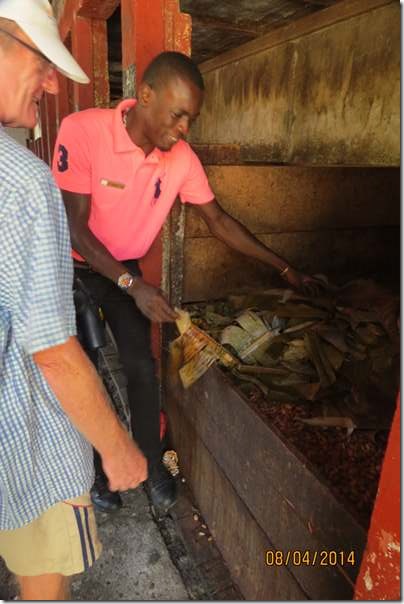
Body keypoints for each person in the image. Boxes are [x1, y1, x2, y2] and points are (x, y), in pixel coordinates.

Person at [52, 51, 320, 515]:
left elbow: (218, 221)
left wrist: (286, 269)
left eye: (191, 119)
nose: (183, 129)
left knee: (140, 365)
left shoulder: (182, 160)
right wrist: (132, 285)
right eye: (178, 115)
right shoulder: (83, 130)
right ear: (146, 95)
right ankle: (99, 469)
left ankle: (151, 463)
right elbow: (75, 228)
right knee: (85, 372)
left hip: (123, 268)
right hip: (73, 264)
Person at [0, 1, 147, 600]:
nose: (52, 80)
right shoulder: (25, 181)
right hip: (27, 440)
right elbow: (53, 353)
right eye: (41, 57)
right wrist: (119, 449)